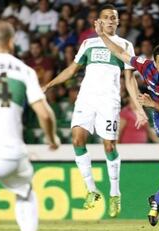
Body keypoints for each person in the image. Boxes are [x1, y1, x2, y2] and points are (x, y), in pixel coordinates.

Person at [43, 4, 147, 218]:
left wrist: (138, 108)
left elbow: (129, 80)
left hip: (109, 101)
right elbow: (72, 70)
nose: (110, 20)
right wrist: (48, 85)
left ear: (118, 22)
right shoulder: (88, 43)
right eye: (106, 17)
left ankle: (115, 193)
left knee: (109, 146)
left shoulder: (125, 45)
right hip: (86, 100)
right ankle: (92, 190)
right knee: (77, 141)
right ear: (98, 22)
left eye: (114, 17)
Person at [94, 21, 159, 227]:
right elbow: (121, 53)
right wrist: (102, 36)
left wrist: (152, 103)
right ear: (154, 63)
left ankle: (157, 200)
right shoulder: (145, 66)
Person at [0, 20, 60, 231]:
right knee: (25, 194)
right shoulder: (24, 70)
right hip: (10, 153)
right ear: (12, 43)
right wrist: (51, 138)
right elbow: (44, 114)